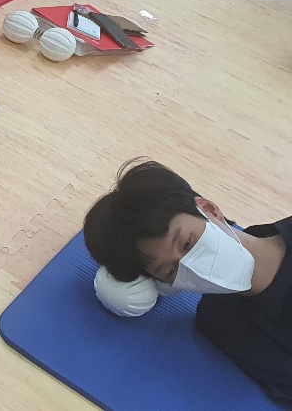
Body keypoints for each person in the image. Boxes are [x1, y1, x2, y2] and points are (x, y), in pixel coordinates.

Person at [83, 159, 291, 403]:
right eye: (171, 270)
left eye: (186, 243)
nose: (193, 265)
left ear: (209, 209)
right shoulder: (221, 320)